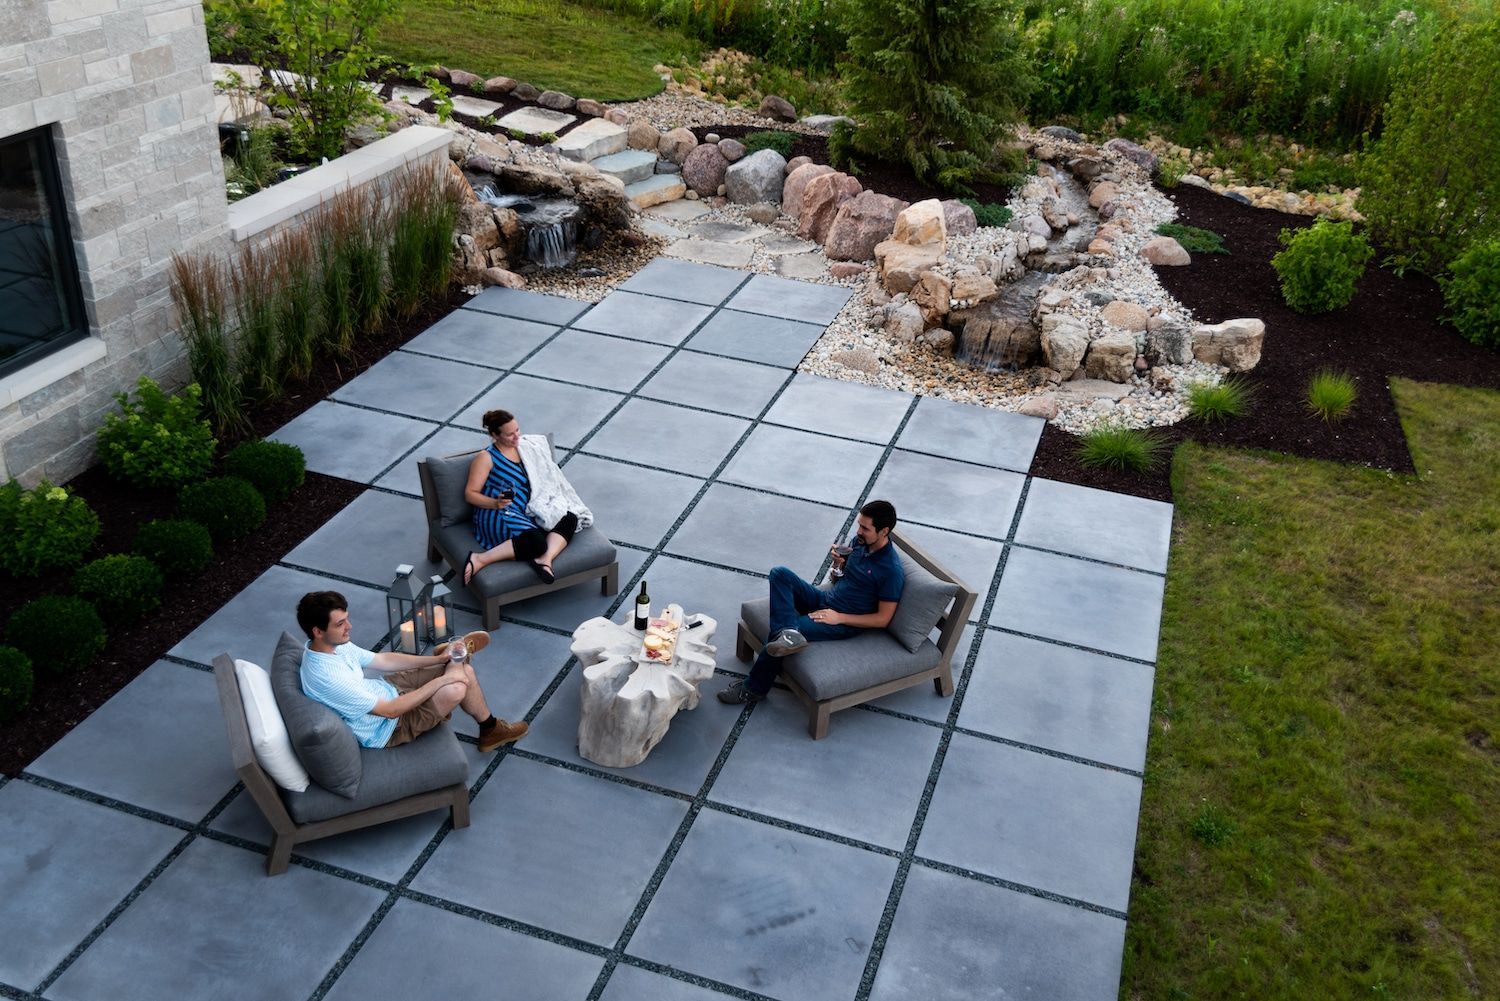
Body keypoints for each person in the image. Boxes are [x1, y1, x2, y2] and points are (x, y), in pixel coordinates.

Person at [719, 499, 905, 705]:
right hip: (826, 598)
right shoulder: (859, 543)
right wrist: (838, 565)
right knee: (780, 574)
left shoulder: (891, 570)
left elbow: (883, 619)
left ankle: (754, 689)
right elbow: (840, 579)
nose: (858, 531)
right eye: (859, 525)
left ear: (884, 531)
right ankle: (789, 632)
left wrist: (839, 617)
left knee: (783, 634)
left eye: (865, 528)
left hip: (842, 620)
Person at [296, 590, 527, 752]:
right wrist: (442, 680)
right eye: (340, 624)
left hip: (388, 688)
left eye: (347, 619)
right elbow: (390, 711)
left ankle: (450, 659)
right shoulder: (327, 678)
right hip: (388, 727)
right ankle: (459, 665)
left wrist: (434, 660)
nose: (349, 627)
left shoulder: (334, 645)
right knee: (457, 686)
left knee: (458, 672)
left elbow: (383, 659)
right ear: (318, 631)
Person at [463, 408, 593, 587]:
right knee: (536, 542)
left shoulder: (525, 448)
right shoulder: (486, 457)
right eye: (509, 434)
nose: (516, 436)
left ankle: (544, 560)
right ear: (495, 435)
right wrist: (495, 503)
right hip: (498, 513)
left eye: (517, 430)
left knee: (570, 517)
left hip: (526, 510)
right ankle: (479, 559)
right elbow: (470, 494)